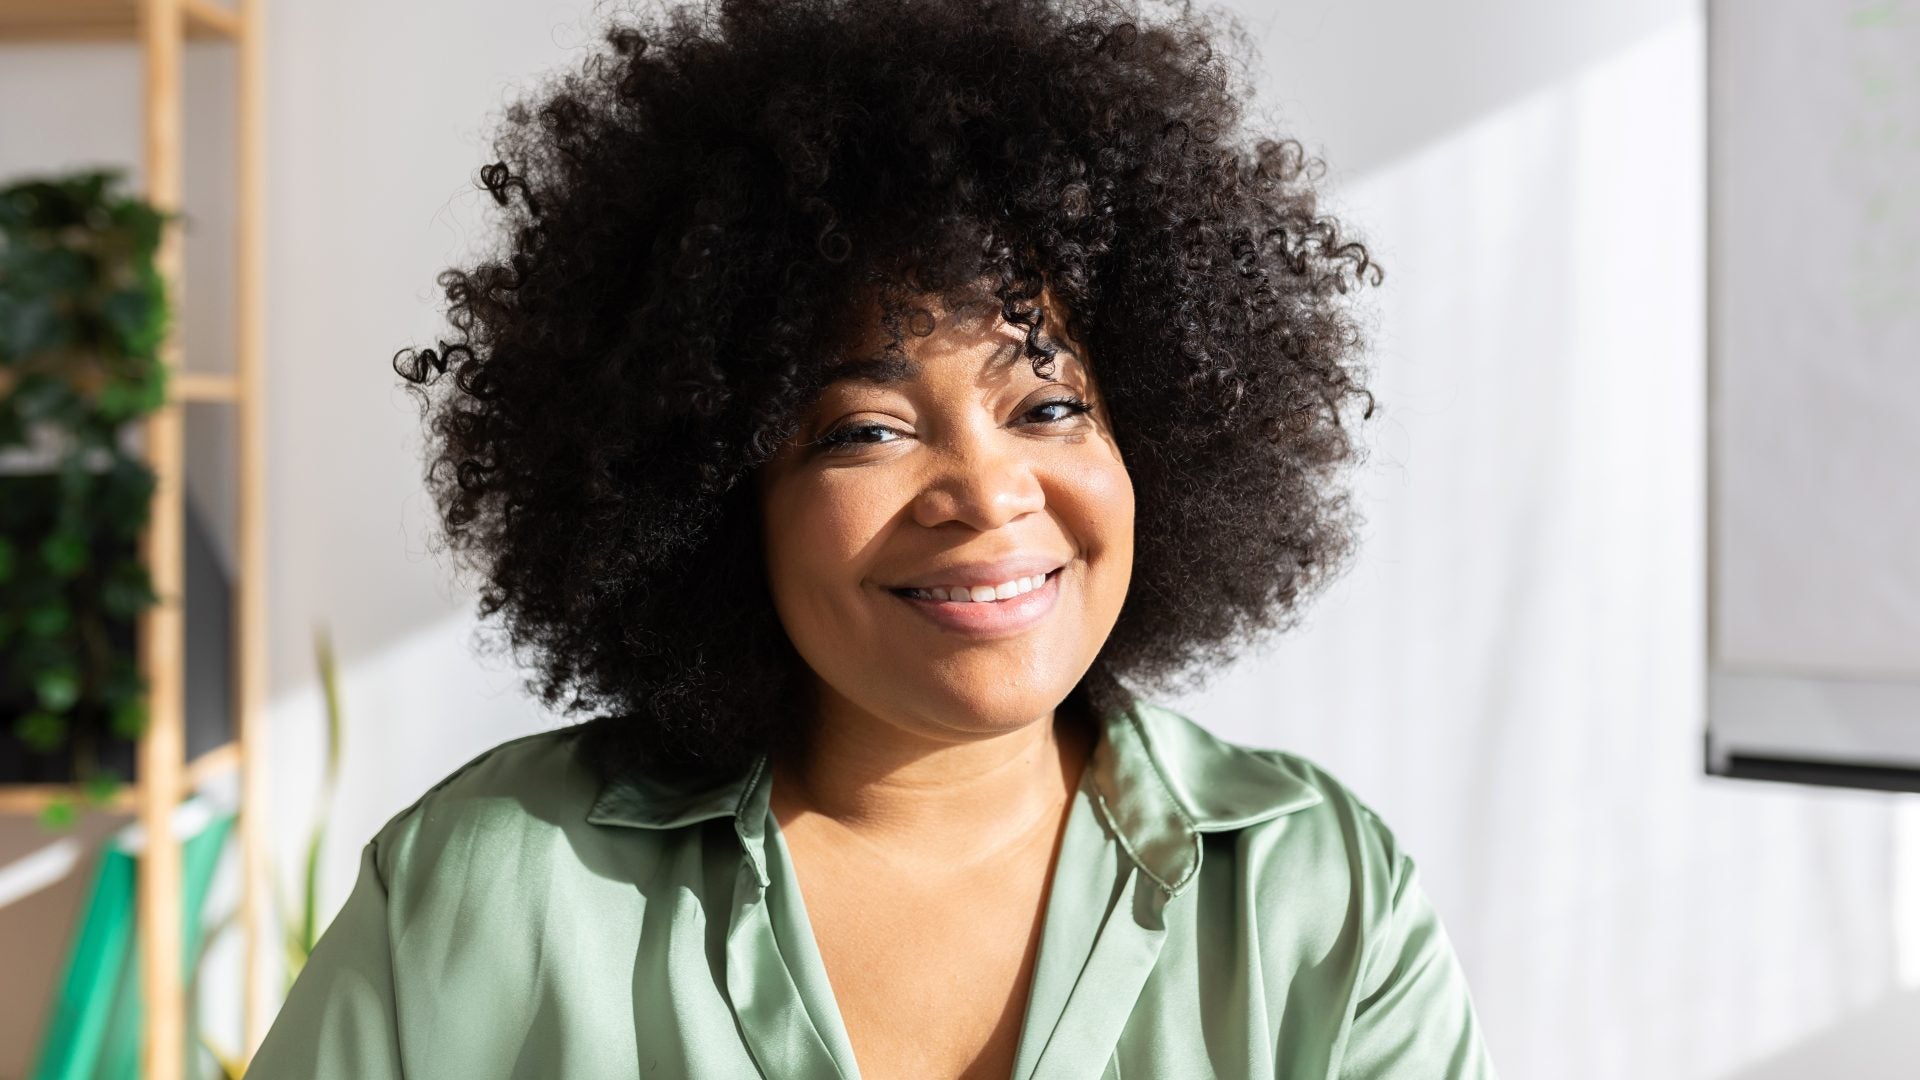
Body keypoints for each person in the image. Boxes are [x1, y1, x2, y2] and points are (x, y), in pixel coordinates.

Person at [244, 0, 1498, 1077]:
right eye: (865, 430)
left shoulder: (1320, 900)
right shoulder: (487, 892)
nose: (987, 494)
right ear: (714, 494)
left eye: (1048, 407)